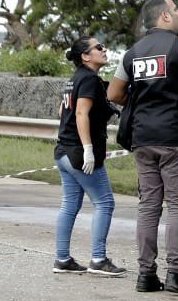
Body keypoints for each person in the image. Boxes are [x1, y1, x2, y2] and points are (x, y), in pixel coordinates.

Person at [108, 0, 178, 297]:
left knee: (149, 205)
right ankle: (176, 274)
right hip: (177, 137)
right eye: (176, 11)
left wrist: (144, 101)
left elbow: (114, 93)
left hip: (143, 137)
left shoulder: (132, 53)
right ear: (165, 17)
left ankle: (146, 274)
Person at [53, 36, 127, 277]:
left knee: (70, 205)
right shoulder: (89, 79)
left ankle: (62, 259)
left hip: (63, 151)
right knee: (105, 202)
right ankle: (98, 259)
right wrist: (87, 148)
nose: (104, 49)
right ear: (85, 56)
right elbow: (80, 114)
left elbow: (62, 110)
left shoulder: (74, 79)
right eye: (98, 47)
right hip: (79, 154)